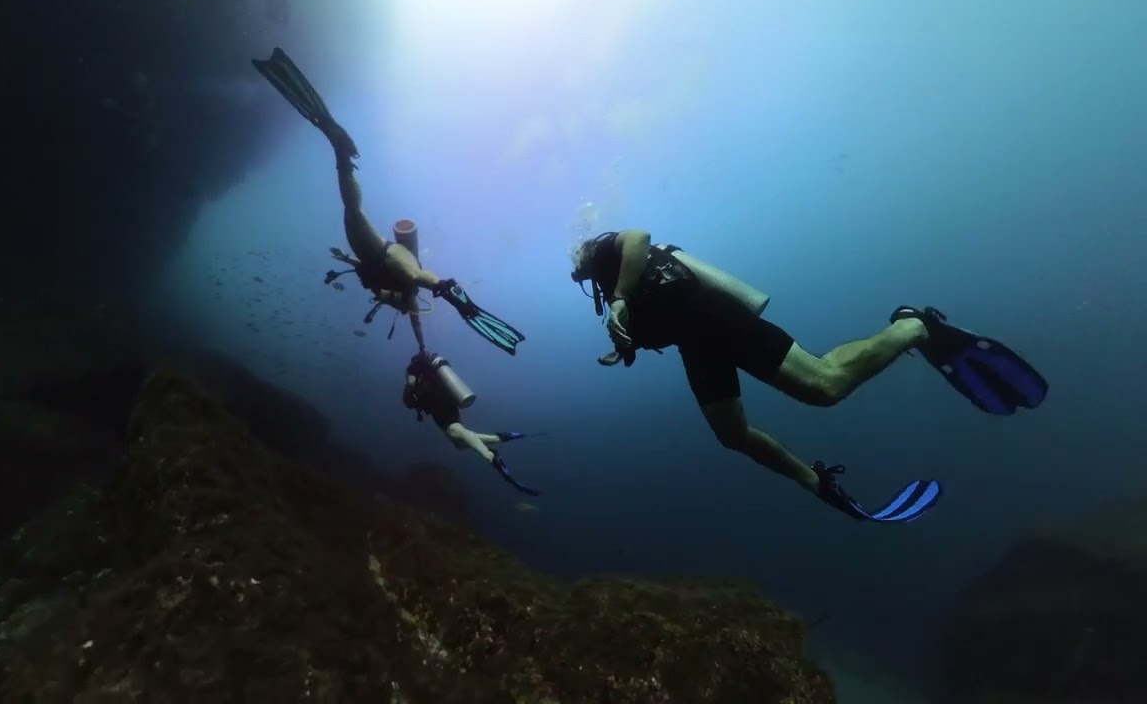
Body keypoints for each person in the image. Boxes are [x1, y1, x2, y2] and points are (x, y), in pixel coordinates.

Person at [570, 229, 1049, 522]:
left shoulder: (617, 256)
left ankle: (913, 326)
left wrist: (618, 299)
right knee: (731, 434)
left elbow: (638, 235)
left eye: (579, 265)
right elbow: (639, 326)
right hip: (697, 345)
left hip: (711, 317)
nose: (578, 273)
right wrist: (624, 347)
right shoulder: (617, 290)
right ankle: (815, 482)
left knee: (824, 386)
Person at [251, 47, 525, 355]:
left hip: (371, 254)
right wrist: (441, 292)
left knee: (353, 214)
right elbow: (416, 296)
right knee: (396, 258)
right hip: (384, 252)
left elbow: (404, 304)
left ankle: (341, 153)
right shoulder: (408, 292)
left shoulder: (397, 297)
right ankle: (341, 152)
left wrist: (348, 261)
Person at [402, 350, 542, 496]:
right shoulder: (428, 374)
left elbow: (409, 400)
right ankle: (498, 438)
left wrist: (410, 386)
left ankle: (489, 455)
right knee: (459, 443)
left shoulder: (415, 373)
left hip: (440, 405)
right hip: (445, 403)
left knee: (454, 430)